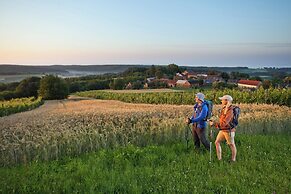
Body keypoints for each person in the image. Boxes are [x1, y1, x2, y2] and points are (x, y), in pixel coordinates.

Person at [210, 95, 237, 162]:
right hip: (223, 129)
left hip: (229, 130)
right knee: (217, 142)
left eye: (222, 100)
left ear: (227, 101)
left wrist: (214, 124)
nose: (221, 101)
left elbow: (224, 123)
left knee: (231, 145)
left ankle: (233, 160)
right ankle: (219, 159)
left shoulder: (230, 111)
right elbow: (222, 120)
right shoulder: (224, 109)